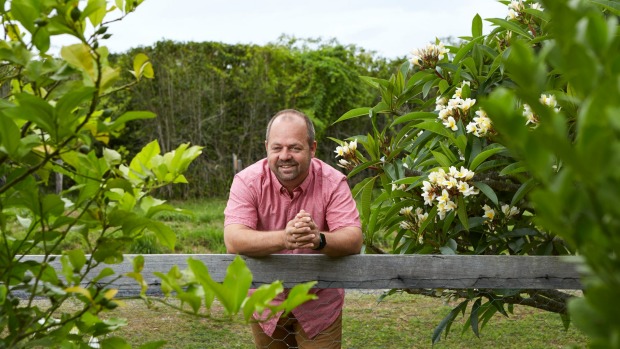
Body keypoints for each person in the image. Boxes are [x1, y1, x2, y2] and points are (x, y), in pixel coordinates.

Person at [224, 109, 363, 349]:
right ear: (266, 146)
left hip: (318, 303)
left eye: (295, 148)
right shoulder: (247, 181)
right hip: (266, 302)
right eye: (277, 148)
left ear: (313, 148)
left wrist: (317, 239)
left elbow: (353, 238)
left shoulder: (333, 182)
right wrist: (286, 238)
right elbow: (233, 239)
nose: (285, 156)